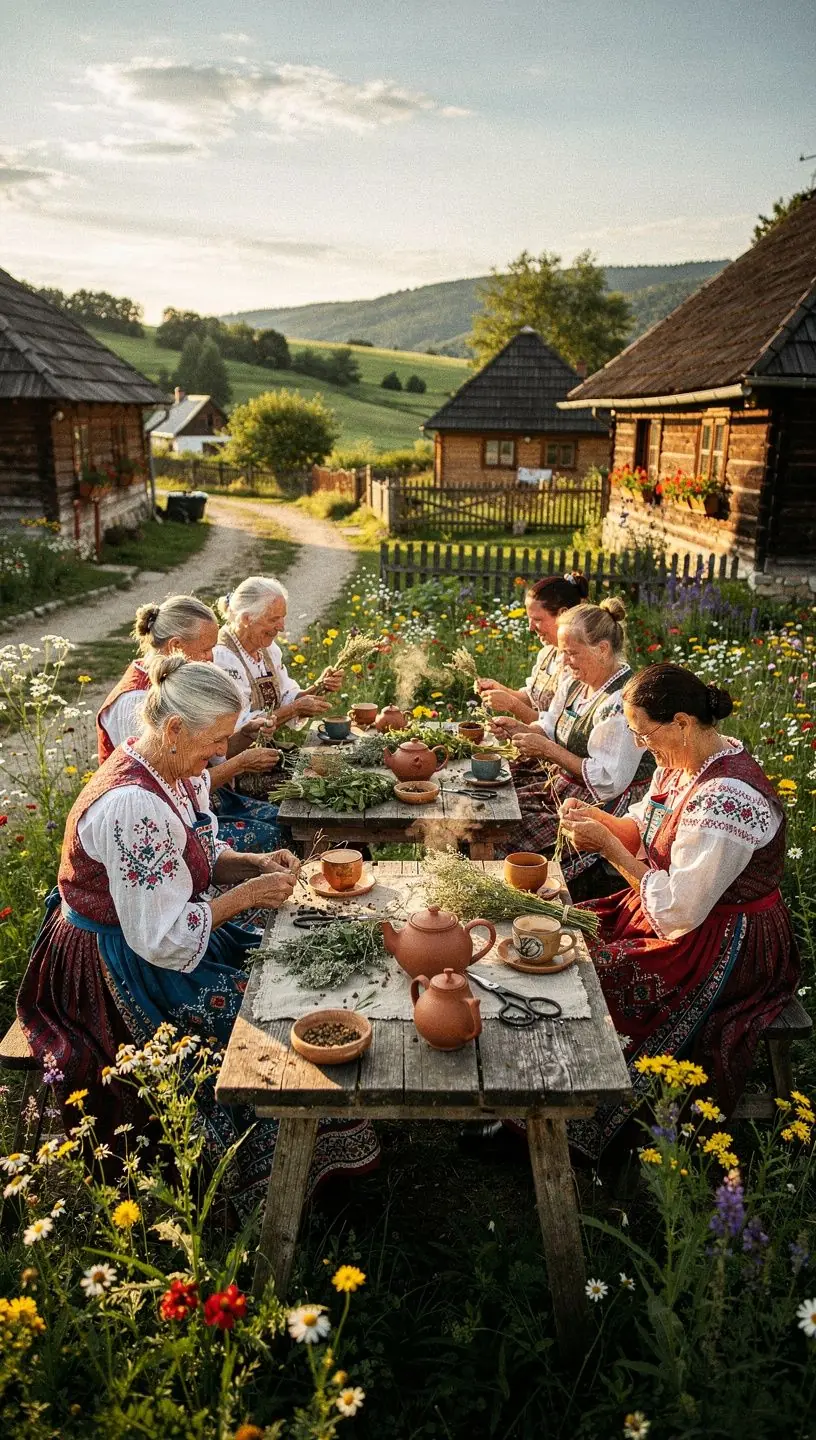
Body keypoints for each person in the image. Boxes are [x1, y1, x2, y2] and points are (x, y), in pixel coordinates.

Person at [19, 657, 379, 1212]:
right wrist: (247, 896)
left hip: (160, 931)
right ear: (172, 728)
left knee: (291, 964)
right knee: (265, 1025)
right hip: (119, 961)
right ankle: (267, 1178)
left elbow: (195, 856)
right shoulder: (132, 804)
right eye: (214, 740)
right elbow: (162, 937)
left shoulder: (168, 770)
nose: (219, 753)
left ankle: (313, 1145)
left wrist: (252, 863)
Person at [560, 661, 800, 1158]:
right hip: (682, 913)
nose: (641, 745)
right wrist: (597, 819)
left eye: (644, 734)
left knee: (593, 977)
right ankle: (551, 1097)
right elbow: (644, 829)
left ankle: (575, 1113)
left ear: (683, 723)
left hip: (728, 939)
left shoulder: (727, 799)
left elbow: (676, 911)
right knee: (565, 942)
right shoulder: (681, 764)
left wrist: (607, 848)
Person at [97, 595, 285, 852]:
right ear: (175, 646)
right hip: (157, 816)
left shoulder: (180, 682)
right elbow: (162, 786)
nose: (211, 657)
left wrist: (245, 734)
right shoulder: (135, 701)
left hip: (196, 797)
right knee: (274, 834)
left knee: (281, 819)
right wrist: (240, 764)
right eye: (206, 649)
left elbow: (208, 753)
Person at [491, 598, 653, 889]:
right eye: (562, 653)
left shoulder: (621, 702)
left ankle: (523, 889)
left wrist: (547, 750)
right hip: (564, 786)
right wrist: (522, 728)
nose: (564, 662)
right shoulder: (576, 682)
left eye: (571, 653)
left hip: (602, 803)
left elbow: (608, 781)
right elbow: (551, 726)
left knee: (506, 831)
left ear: (602, 649)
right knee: (494, 805)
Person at [213, 575, 343, 728]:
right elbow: (240, 726)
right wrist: (295, 709)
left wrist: (319, 686)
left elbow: (285, 697)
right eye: (273, 619)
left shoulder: (267, 649)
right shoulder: (223, 659)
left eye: (282, 618)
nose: (282, 627)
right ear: (246, 619)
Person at [476, 572, 590, 723]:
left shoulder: (577, 665)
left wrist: (511, 704)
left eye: (537, 619)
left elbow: (558, 727)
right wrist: (499, 689)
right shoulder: (548, 653)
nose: (530, 628)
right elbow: (532, 700)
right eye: (529, 619)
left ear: (564, 614)